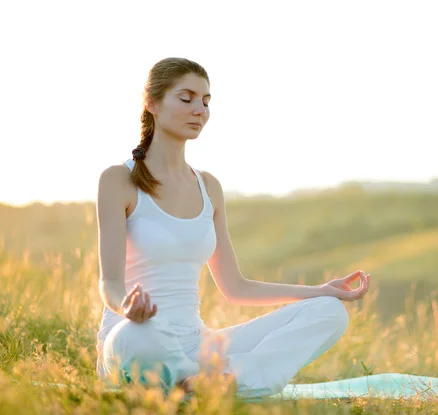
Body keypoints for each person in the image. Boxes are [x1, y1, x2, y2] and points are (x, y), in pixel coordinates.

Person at [95, 57, 370, 399]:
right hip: (137, 339)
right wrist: (127, 308)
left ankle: (208, 386)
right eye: (187, 98)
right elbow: (109, 284)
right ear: (152, 102)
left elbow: (236, 287)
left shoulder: (208, 187)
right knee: (134, 336)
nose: (200, 110)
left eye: (206, 102)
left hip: (197, 345)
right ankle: (205, 384)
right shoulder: (118, 180)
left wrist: (321, 291)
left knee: (329, 313)